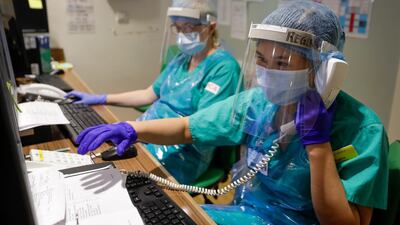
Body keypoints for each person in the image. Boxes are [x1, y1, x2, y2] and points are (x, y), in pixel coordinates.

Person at [76, 1, 389, 224]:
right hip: (243, 213)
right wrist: (134, 130)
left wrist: (318, 147)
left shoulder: (363, 130)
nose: (266, 73)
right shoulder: (258, 102)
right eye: (263, 60)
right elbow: (188, 128)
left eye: (281, 63)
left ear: (325, 71)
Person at [67, 0, 241, 184]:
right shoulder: (182, 58)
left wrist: (139, 132)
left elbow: (196, 129)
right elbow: (148, 94)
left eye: (188, 27)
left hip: (184, 152)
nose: (182, 35)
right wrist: (100, 98)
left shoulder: (224, 68)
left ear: (210, 27)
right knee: (98, 166)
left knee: (126, 182)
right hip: (146, 135)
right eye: (178, 28)